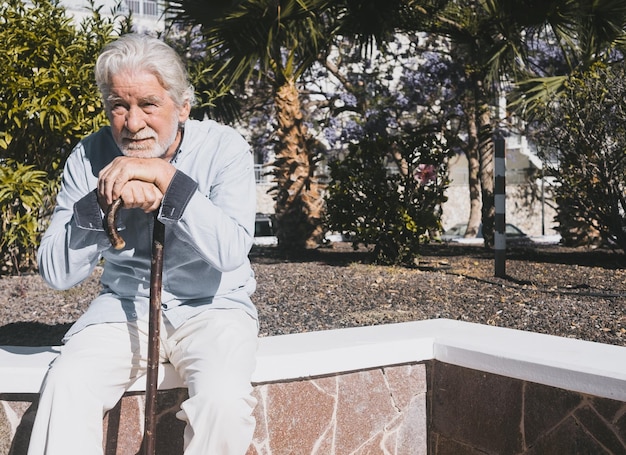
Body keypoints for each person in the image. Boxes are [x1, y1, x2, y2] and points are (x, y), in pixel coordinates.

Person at [28, 33, 259, 455]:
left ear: (183, 107)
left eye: (148, 105)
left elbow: (230, 252)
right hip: (123, 307)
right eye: (119, 105)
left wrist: (169, 184)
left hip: (214, 307)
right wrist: (101, 200)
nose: (133, 123)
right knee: (66, 385)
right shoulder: (89, 154)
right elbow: (57, 273)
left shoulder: (225, 148)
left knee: (223, 403)